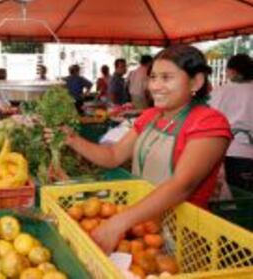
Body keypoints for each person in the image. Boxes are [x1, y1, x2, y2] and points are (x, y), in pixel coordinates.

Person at [53, 45, 231, 254]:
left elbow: (181, 186)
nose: (155, 86)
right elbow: (113, 156)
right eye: (153, 77)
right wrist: (71, 139)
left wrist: (118, 223)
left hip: (182, 236)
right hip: (140, 227)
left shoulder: (209, 123)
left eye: (166, 78)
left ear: (196, 81)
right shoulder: (151, 116)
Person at [210, 54, 253, 192]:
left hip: (223, 150)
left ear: (232, 71)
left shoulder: (220, 91)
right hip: (247, 152)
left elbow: (209, 120)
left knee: (227, 200)